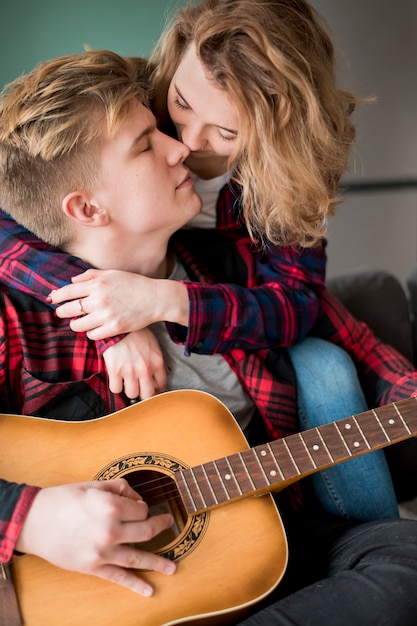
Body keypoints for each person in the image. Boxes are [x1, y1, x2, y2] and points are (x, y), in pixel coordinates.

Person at [1, 49, 417, 626]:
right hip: (113, 597)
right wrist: (31, 515)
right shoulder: (16, 318)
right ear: (86, 207)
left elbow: (341, 332)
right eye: (148, 144)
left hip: (273, 539)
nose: (183, 149)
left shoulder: (231, 265)